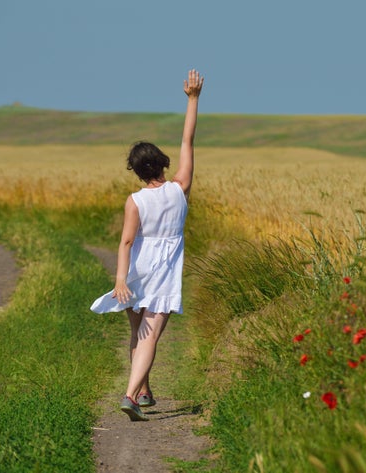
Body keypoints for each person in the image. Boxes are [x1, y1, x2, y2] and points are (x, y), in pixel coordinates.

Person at [90, 69, 204, 421]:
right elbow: (188, 141)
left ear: (137, 172)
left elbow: (125, 242)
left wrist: (121, 280)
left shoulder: (134, 201)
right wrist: (193, 98)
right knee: (150, 336)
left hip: (137, 270)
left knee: (137, 332)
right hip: (165, 271)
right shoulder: (179, 188)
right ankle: (130, 395)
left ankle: (144, 391)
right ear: (163, 163)